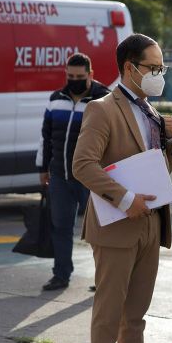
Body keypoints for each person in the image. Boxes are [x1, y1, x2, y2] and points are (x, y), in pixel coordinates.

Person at [72, 33, 172, 343]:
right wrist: (124, 199)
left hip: (150, 222)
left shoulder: (151, 111)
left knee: (135, 312)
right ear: (129, 68)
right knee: (109, 311)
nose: (158, 74)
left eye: (161, 67)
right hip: (117, 224)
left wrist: (171, 141)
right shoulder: (102, 109)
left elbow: (159, 171)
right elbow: (83, 165)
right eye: (152, 67)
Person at [37, 53, 110, 291]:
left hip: (91, 179)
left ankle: (104, 278)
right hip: (59, 175)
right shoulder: (56, 98)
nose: (74, 80)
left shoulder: (104, 100)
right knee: (60, 227)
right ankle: (61, 275)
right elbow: (46, 136)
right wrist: (43, 167)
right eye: (70, 76)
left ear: (91, 74)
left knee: (99, 231)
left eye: (80, 76)